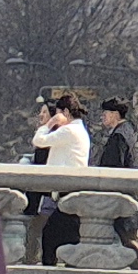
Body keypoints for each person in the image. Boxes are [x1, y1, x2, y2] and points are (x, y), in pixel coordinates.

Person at [28, 92, 91, 263]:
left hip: (66, 190)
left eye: (57, 113)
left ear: (65, 112)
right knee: (62, 233)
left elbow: (39, 140)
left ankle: (52, 267)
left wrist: (49, 123)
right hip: (69, 189)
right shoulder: (79, 130)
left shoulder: (69, 130)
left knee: (51, 234)